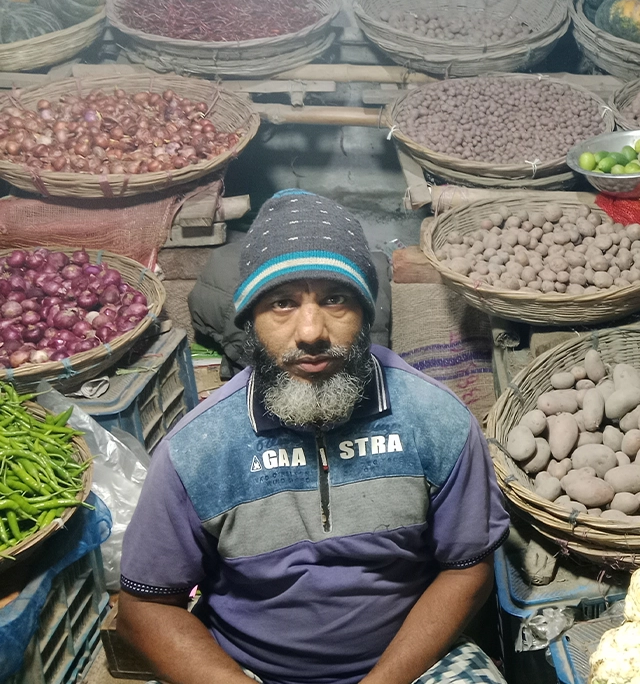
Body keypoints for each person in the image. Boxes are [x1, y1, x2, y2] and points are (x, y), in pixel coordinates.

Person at [117, 190, 510, 684]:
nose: (310, 331)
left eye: (334, 298)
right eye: (282, 302)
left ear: (366, 313)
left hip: (409, 667)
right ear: (251, 320)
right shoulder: (198, 448)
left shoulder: (437, 420)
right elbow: (146, 607)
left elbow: (468, 567)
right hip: (243, 670)